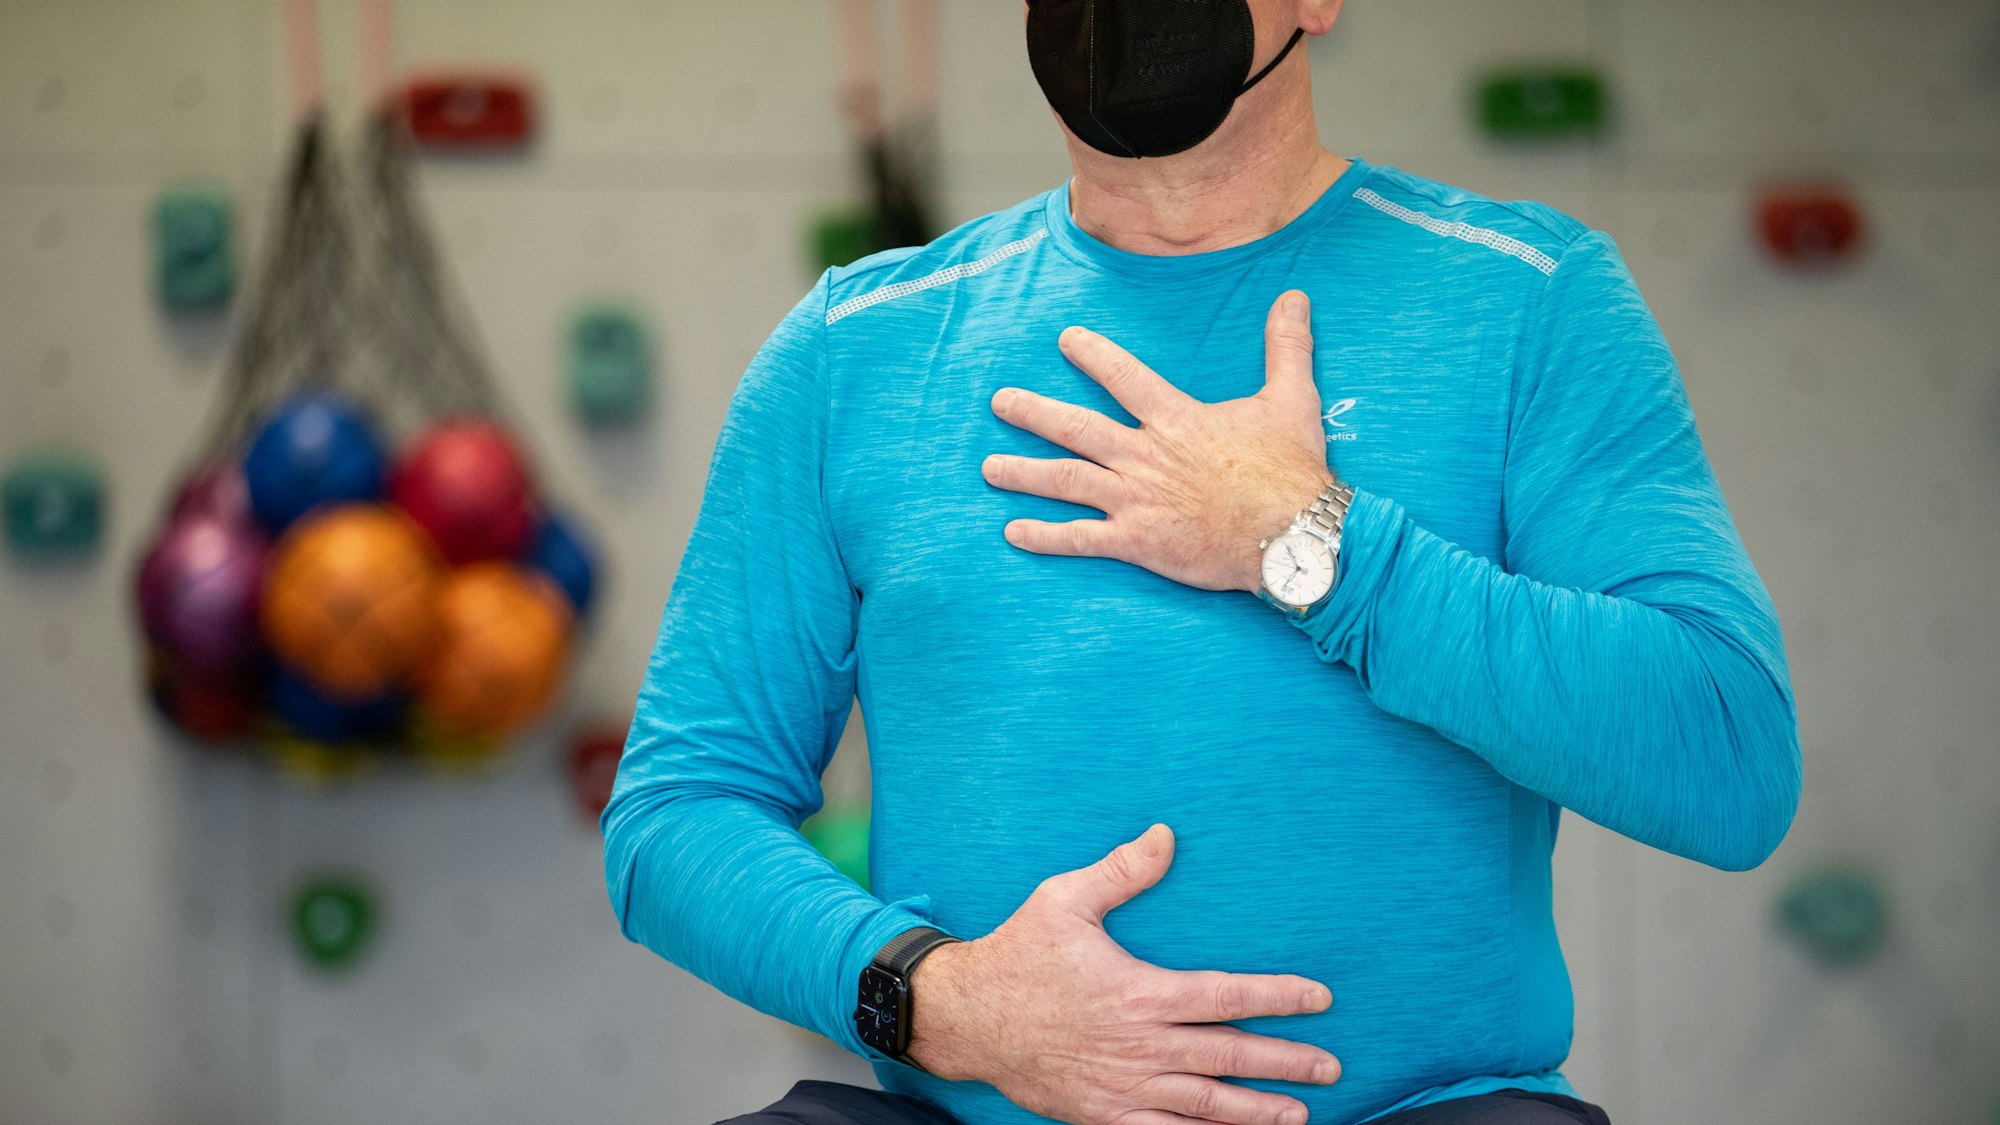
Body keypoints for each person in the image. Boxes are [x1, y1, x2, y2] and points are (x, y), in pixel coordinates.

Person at [601, 1, 1802, 1123]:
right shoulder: (848, 353)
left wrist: (1308, 545)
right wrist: (940, 1000)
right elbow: (676, 815)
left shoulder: (1528, 301)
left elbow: (1727, 755)